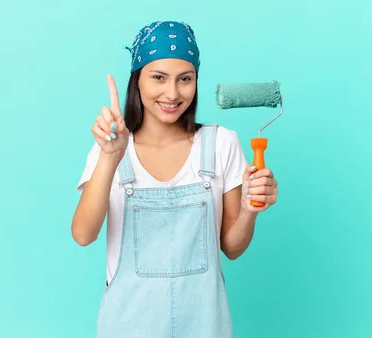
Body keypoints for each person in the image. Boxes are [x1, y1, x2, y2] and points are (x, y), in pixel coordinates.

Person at [72, 20, 278, 338]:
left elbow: (233, 248)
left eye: (185, 79)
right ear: (136, 80)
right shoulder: (110, 146)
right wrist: (110, 157)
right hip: (127, 326)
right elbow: (84, 234)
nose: (172, 93)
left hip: (204, 326)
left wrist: (251, 210)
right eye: (158, 78)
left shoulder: (221, 143)